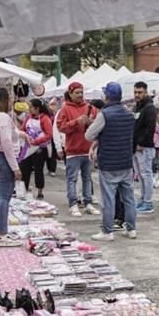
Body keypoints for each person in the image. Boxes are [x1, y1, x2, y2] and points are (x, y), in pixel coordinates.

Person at [85, 82, 137, 241]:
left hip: (108, 162)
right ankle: (131, 229)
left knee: (108, 199)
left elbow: (88, 135)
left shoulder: (105, 114)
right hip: (126, 161)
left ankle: (108, 231)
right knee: (128, 198)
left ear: (106, 97)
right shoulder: (129, 114)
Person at [0, 87, 23, 247]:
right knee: (4, 198)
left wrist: (22, 134)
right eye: (9, 98)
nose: (11, 100)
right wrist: (15, 167)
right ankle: (3, 234)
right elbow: (6, 143)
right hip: (3, 159)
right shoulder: (4, 118)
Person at [56, 81, 99, 218]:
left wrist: (90, 122)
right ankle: (73, 204)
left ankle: (88, 203)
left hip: (87, 149)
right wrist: (76, 122)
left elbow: (98, 124)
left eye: (81, 92)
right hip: (73, 150)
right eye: (77, 93)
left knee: (87, 178)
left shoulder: (90, 107)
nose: (80, 95)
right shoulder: (65, 109)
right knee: (72, 178)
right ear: (70, 93)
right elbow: (61, 127)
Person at [20, 99, 53, 200]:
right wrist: (26, 136)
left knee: (38, 170)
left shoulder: (45, 119)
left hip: (40, 148)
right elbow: (22, 129)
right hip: (28, 147)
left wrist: (38, 141)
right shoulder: (28, 117)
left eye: (31, 107)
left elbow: (49, 134)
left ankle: (40, 191)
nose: (29, 109)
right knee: (25, 169)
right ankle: (23, 189)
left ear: (37, 108)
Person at [133, 81, 158, 213]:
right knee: (141, 175)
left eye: (140, 92)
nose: (137, 94)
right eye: (136, 92)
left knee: (146, 174)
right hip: (136, 147)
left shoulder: (149, 108)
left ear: (146, 92)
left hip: (145, 148)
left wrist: (142, 143)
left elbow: (150, 128)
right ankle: (143, 199)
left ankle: (147, 202)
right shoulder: (138, 107)